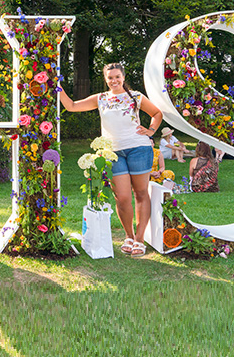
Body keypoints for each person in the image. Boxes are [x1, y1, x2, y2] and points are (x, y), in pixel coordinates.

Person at [60, 63, 163, 256]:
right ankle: (129, 236)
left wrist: (151, 131)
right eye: (110, 78)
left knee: (141, 193)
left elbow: (157, 113)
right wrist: (56, 86)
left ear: (123, 77)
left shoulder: (136, 97)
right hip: (113, 153)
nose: (114, 80)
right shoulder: (100, 99)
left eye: (117, 77)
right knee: (122, 197)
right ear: (106, 80)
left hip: (139, 148)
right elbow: (71, 106)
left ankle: (140, 240)